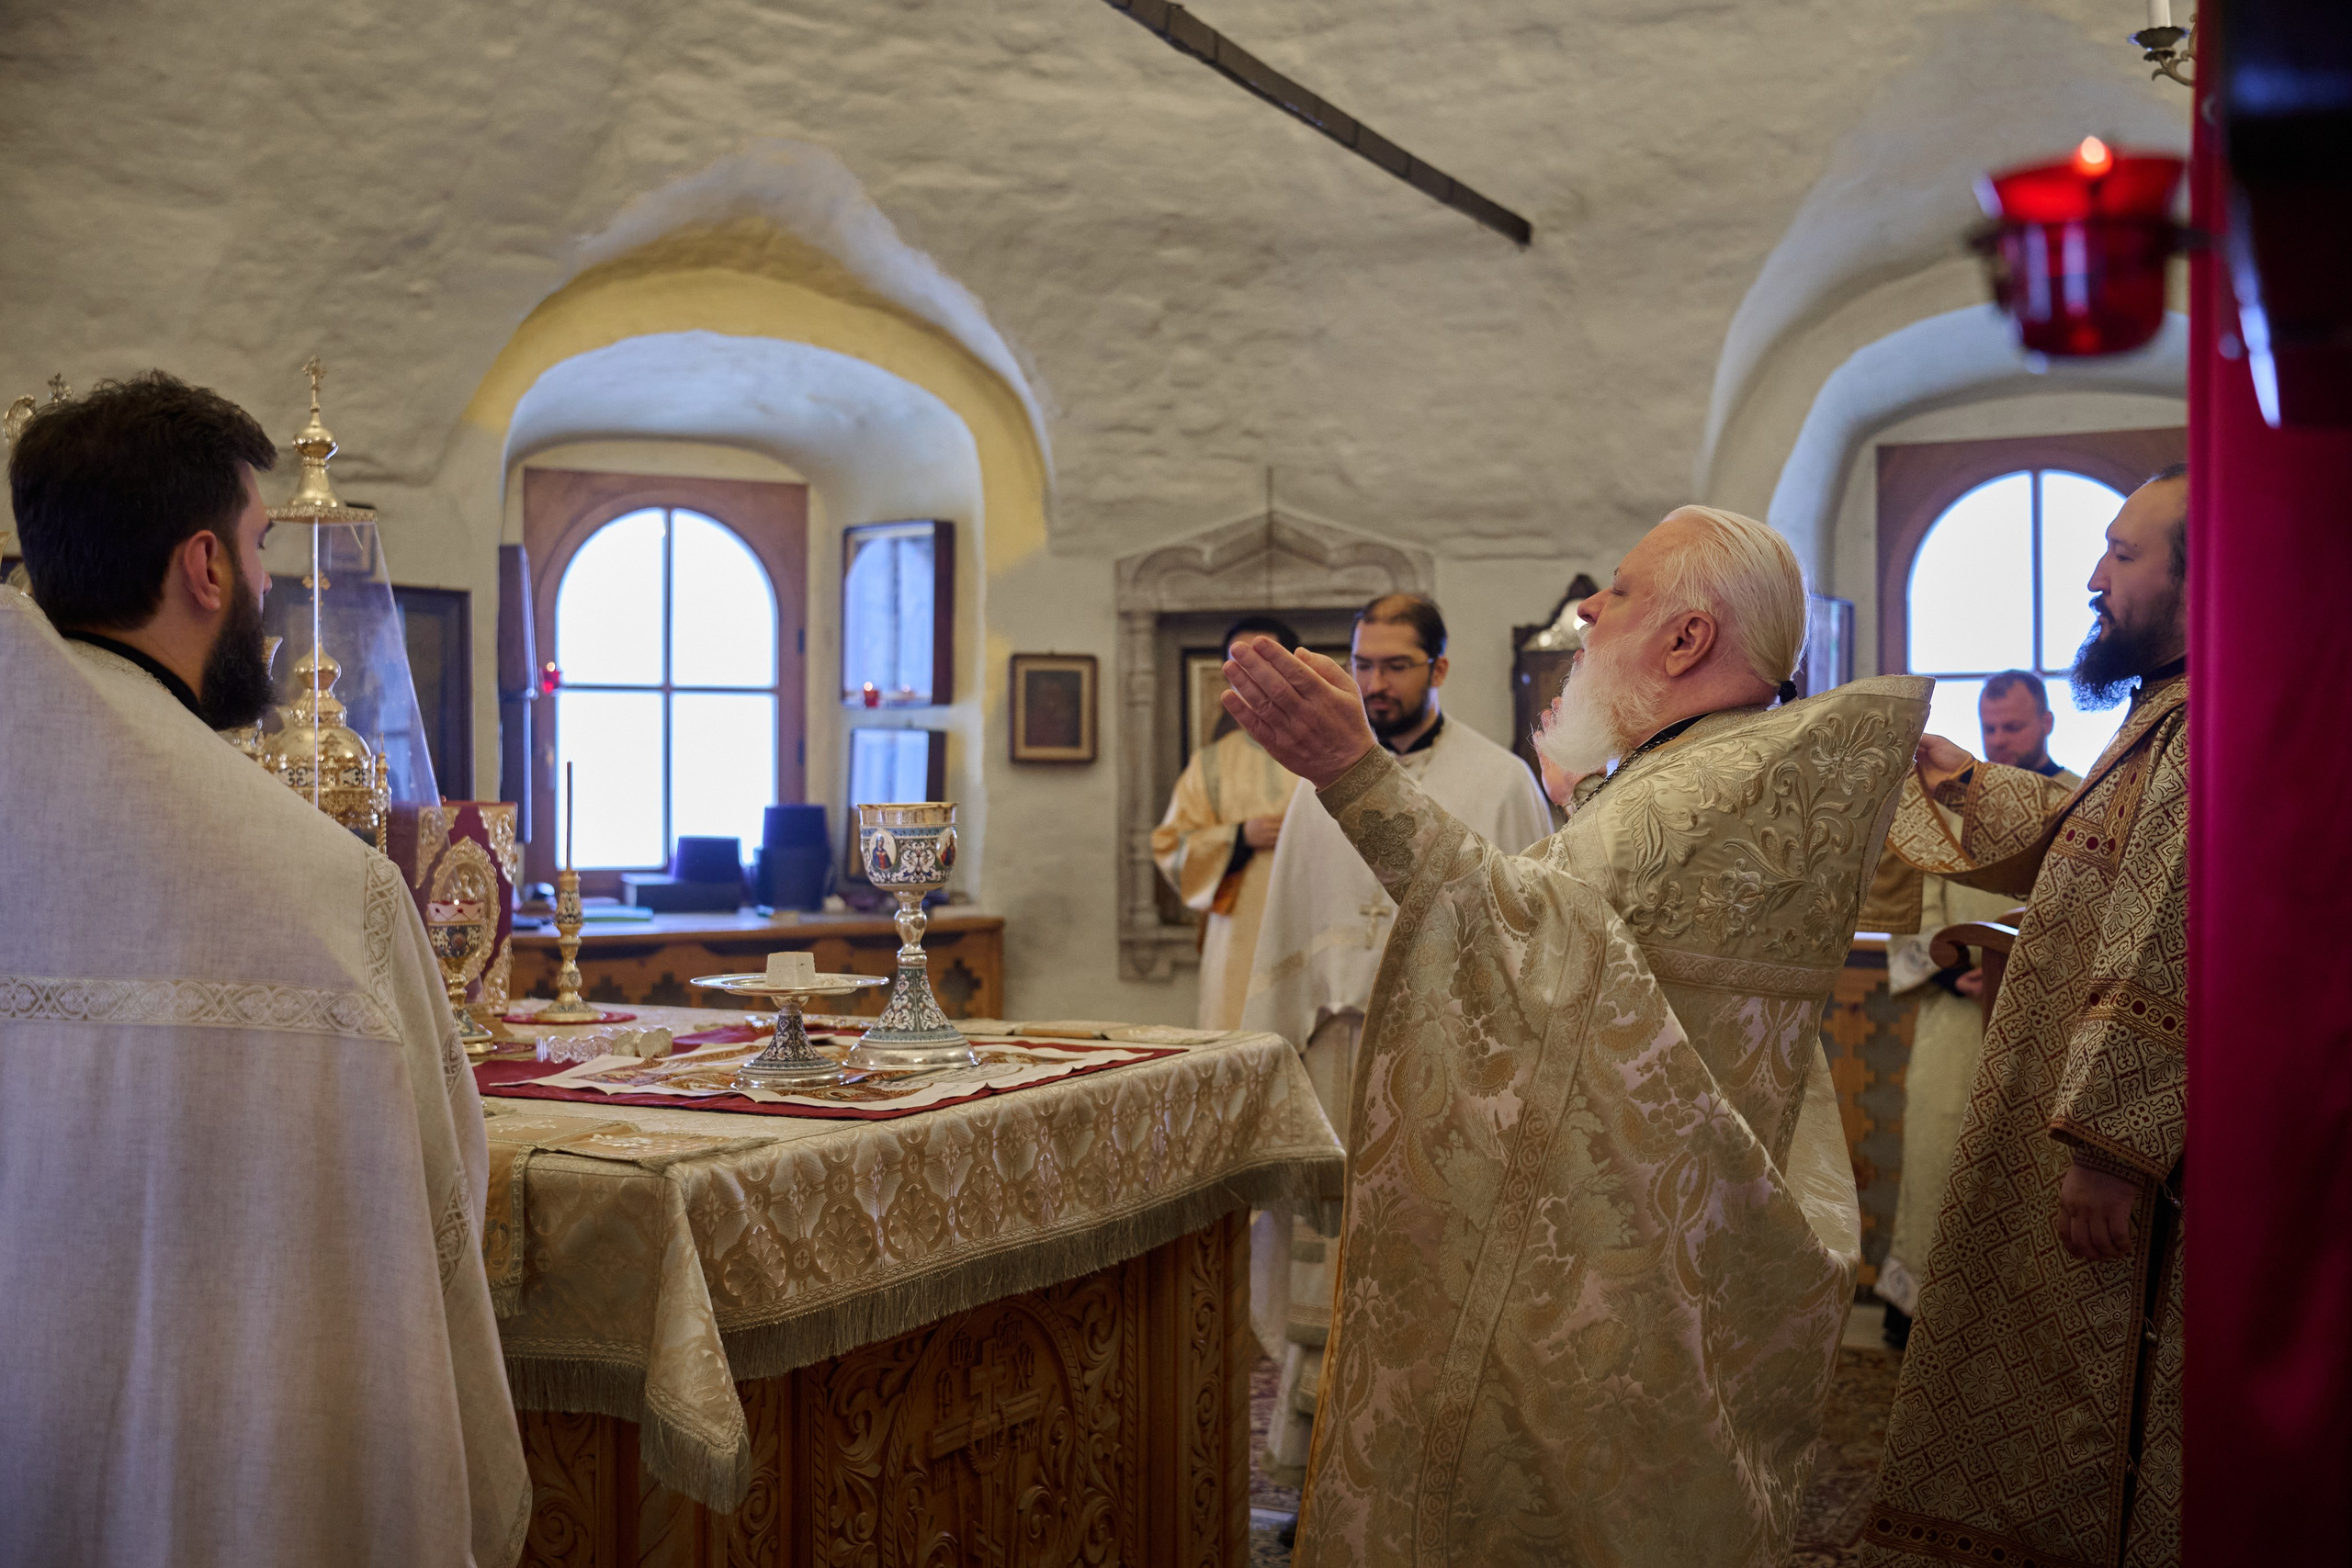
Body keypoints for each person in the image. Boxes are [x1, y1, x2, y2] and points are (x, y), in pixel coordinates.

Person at [1225, 507, 1928, 1566]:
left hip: (1638, 1244)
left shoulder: (1705, 781)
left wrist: (1354, 776)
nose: (1586, 611)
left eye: (1619, 591)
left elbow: (1524, 942)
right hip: (1642, 1209)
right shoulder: (1694, 765)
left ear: (1688, 640)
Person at [0, 374, 530, 1566]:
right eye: (260, 546)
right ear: (204, 567)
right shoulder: (327, 893)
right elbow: (438, 1205)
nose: (270, 586)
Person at [1861, 466, 2190, 1568]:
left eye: (2123, 555)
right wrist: (1964, 783)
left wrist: (2110, 1142)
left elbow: (2166, 934)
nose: (2094, 580)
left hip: (2111, 1143)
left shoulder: (2207, 724)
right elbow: (2087, 837)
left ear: (2205, 578)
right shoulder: (2165, 711)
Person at [1238, 592, 1551, 1483]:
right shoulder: (1316, 788)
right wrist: (1272, 1062)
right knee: (1334, 1268)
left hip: (1454, 1066)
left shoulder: (1501, 783)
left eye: (1395, 665)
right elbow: (1284, 944)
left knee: (1441, 1265)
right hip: (1340, 1060)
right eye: (1361, 664)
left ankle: (1441, 1463)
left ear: (1439, 670)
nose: (1373, 684)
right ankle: (1325, 1462)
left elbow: (1533, 938)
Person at [1874, 671, 2079, 1349]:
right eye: (1990, 727)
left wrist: (2017, 973)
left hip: (2039, 1024)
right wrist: (1953, 969)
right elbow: (1919, 916)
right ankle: (1922, 1314)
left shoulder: (2074, 803)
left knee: (2027, 1173)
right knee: (1935, 1156)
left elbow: (2085, 920)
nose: (1999, 739)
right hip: (1954, 1020)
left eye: (2013, 726)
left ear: (2046, 721)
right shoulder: (1953, 808)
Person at [1150, 616, 1305, 1031]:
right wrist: (1238, 837)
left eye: (1262, 668)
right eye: (1237, 671)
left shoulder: (1328, 752)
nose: (1250, 682)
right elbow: (1171, 847)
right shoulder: (1211, 764)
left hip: (1314, 927)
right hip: (1239, 938)